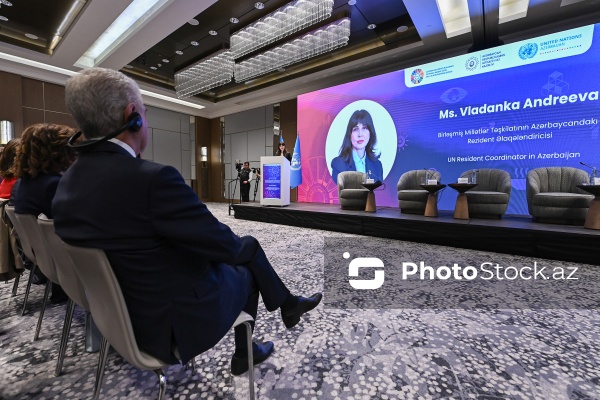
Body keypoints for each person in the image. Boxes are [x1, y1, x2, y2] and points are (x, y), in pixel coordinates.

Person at [53, 67, 322, 375]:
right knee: (246, 260)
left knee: (243, 250)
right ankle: (250, 346)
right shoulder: (152, 180)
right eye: (145, 111)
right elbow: (222, 245)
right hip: (167, 326)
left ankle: (285, 307)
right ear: (133, 116)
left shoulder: (66, 185)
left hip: (115, 320)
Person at [13, 123, 75, 302]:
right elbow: (74, 225)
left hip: (42, 260)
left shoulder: (24, 184)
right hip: (63, 262)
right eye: (69, 149)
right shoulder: (51, 185)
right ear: (55, 152)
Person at [330, 109, 383, 184]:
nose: (360, 134)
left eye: (364, 128)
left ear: (370, 133)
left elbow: (380, 194)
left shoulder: (377, 166)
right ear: (349, 135)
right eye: (355, 129)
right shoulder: (339, 165)